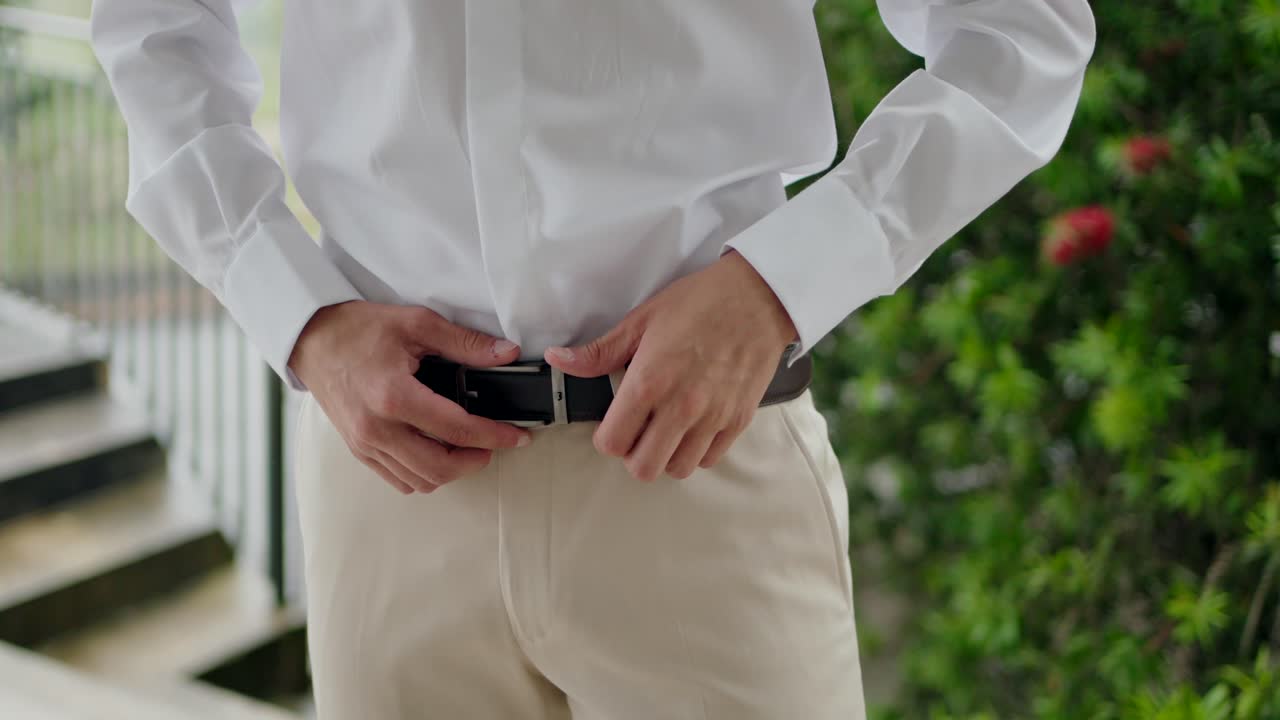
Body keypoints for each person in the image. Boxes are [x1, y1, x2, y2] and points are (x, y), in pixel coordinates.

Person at [89, 1, 1095, 717]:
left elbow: (1020, 31)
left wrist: (778, 284)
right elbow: (151, 28)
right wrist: (299, 314)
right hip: (391, 491)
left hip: (701, 475)